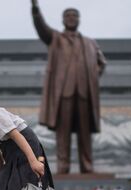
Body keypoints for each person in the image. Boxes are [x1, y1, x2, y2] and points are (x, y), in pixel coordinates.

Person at [31, 0, 107, 174]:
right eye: (68, 16)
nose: (71, 18)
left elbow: (102, 63)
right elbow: (41, 28)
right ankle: (63, 167)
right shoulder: (56, 38)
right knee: (62, 133)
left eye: (74, 16)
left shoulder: (90, 43)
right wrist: (35, 8)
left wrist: (93, 76)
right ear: (63, 20)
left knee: (85, 133)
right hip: (64, 93)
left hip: (84, 93)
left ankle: (87, 166)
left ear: (79, 19)